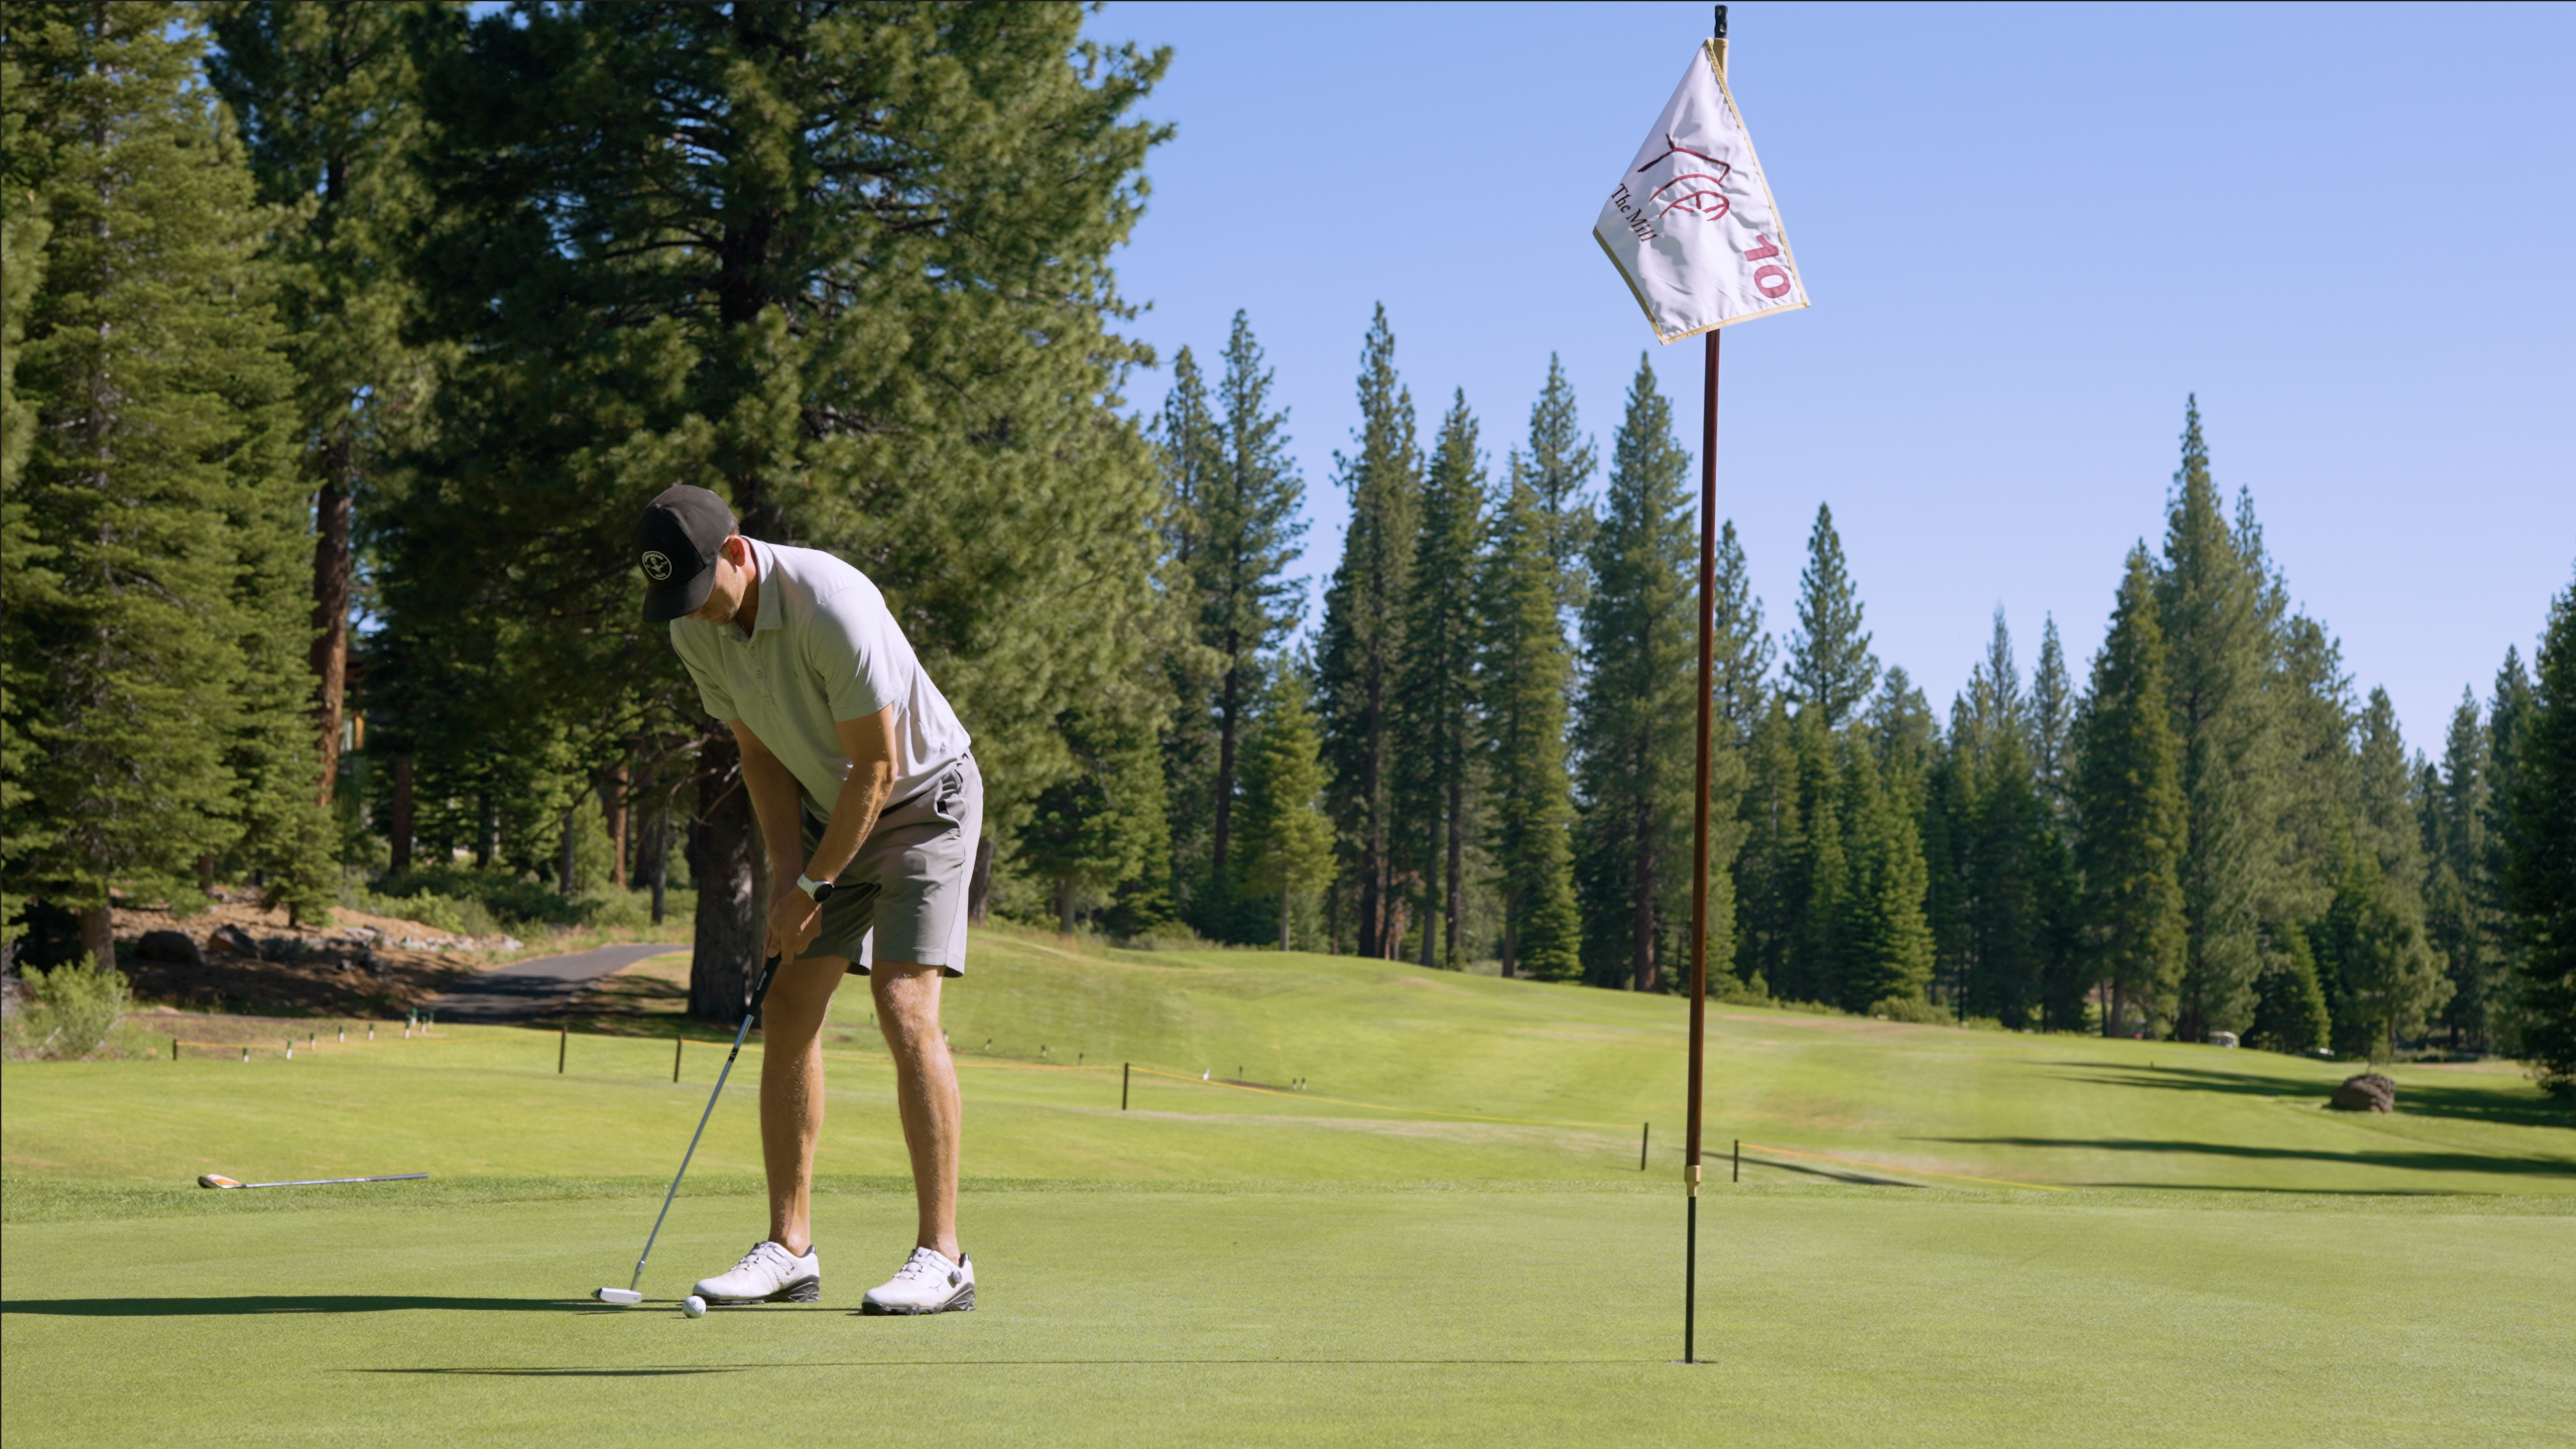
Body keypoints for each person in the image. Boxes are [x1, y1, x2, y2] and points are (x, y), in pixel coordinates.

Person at [636, 483, 981, 1316]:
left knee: (903, 1001)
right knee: (789, 1007)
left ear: (736, 549)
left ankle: (945, 1256)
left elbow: (878, 768)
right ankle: (790, 1247)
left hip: (923, 803)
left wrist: (815, 884)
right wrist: (790, 880)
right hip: (832, 813)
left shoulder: (832, 602)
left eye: (701, 588)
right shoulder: (695, 625)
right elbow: (758, 753)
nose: (697, 612)